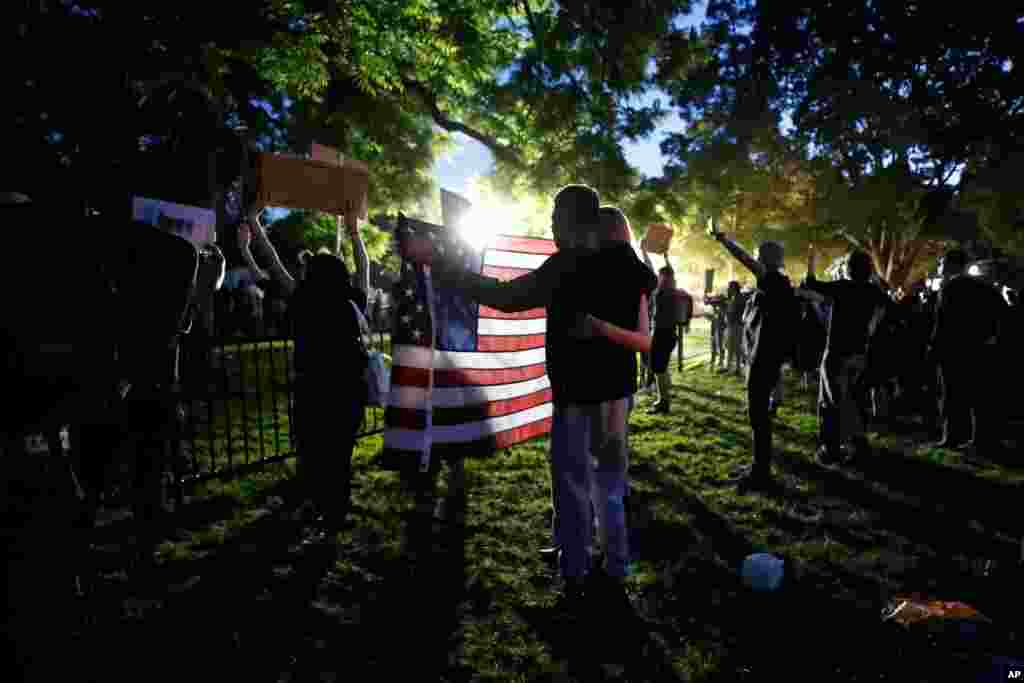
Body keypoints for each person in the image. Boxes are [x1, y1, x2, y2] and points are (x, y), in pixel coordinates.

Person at [399, 185, 631, 612]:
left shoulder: (567, 265)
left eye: (555, 214)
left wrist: (438, 262)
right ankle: (615, 571)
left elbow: (507, 298)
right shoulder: (621, 264)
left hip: (578, 397)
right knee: (610, 486)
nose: (550, 223)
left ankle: (576, 577)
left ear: (573, 220)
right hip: (617, 396)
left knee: (574, 486)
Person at [239, 208, 370, 533]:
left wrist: (254, 225)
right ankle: (334, 514)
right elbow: (364, 267)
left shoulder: (303, 299)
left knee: (313, 453)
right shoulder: (352, 301)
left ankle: (316, 506)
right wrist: (354, 233)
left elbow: (271, 261)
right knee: (340, 457)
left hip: (312, 391)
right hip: (348, 392)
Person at [568, 206, 656, 602]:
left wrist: (599, 328)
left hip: (605, 390)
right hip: (612, 386)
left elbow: (644, 341)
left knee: (601, 478)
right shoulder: (631, 274)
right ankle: (608, 561)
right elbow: (642, 341)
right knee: (604, 478)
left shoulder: (594, 271)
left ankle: (610, 563)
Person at [708, 226, 800, 490]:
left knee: (758, 417)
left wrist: (724, 239)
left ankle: (760, 473)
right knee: (758, 416)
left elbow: (744, 259)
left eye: (760, 256)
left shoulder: (772, 280)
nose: (756, 259)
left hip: (764, 359)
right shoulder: (778, 284)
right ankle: (758, 466)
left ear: (766, 259)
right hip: (765, 358)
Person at [799, 251, 898, 465]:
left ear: (849, 268)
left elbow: (811, 283)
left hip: (836, 354)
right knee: (856, 400)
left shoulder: (842, 287)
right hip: (860, 354)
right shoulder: (873, 291)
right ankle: (858, 445)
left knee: (830, 401)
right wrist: (872, 324)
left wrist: (810, 262)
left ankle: (832, 449)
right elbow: (891, 309)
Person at [927, 248, 1008, 453]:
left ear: (952, 265)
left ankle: (952, 436)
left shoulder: (949, 288)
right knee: (979, 396)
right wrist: (992, 337)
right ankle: (981, 438)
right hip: (979, 348)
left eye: (942, 262)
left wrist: (933, 346)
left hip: (953, 349)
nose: (940, 266)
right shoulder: (984, 286)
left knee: (951, 396)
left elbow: (942, 322)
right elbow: (1002, 312)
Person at [648, 265, 681, 414]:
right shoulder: (673, 291)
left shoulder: (662, 293)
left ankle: (663, 402)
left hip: (662, 334)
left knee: (658, 368)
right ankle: (664, 398)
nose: (658, 277)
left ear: (664, 277)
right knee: (662, 367)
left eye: (660, 275)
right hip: (670, 334)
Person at [723, 281, 745, 376]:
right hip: (733, 325)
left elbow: (733, 313)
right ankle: (732, 368)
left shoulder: (738, 299)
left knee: (735, 347)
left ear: (734, 288)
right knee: (732, 347)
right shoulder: (735, 298)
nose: (728, 289)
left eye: (729, 287)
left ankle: (735, 368)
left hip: (736, 326)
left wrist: (726, 310)